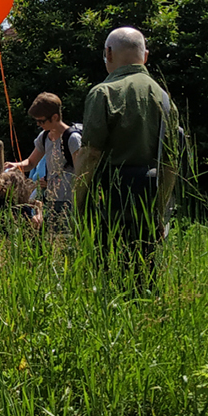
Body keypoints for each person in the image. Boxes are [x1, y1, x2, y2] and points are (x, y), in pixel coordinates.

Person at [74, 27, 177, 280]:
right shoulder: (164, 98)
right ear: (146, 56)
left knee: (107, 274)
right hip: (150, 196)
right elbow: (170, 164)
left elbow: (89, 155)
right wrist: (160, 210)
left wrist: (78, 204)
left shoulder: (103, 93)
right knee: (145, 275)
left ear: (108, 53)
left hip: (110, 198)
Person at [4, 92, 81, 227]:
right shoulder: (44, 136)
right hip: (51, 200)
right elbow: (31, 162)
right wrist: (17, 165)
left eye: (42, 121)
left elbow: (81, 173)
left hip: (71, 201)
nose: (39, 124)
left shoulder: (72, 139)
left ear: (55, 117)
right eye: (37, 121)